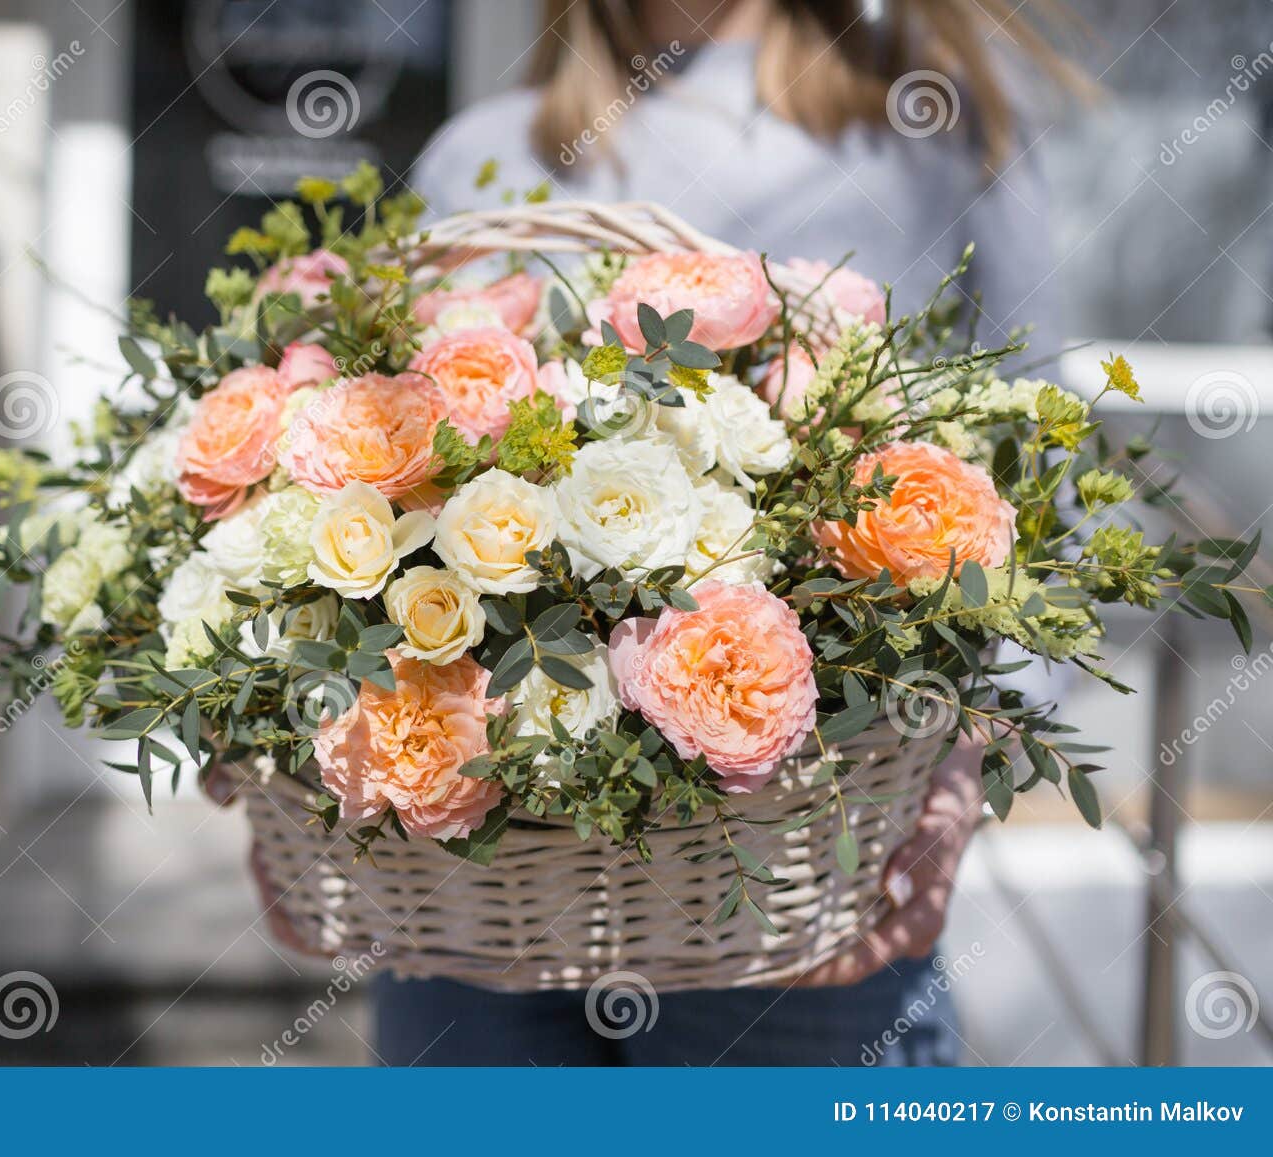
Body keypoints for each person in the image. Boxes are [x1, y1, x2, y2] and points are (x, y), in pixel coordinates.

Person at [365, 0, 1087, 1066]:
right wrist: (288, 787)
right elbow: (375, 489)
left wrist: (959, 785)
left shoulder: (925, 130)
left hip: (797, 918)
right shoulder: (483, 154)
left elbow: (1043, 494)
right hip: (476, 912)